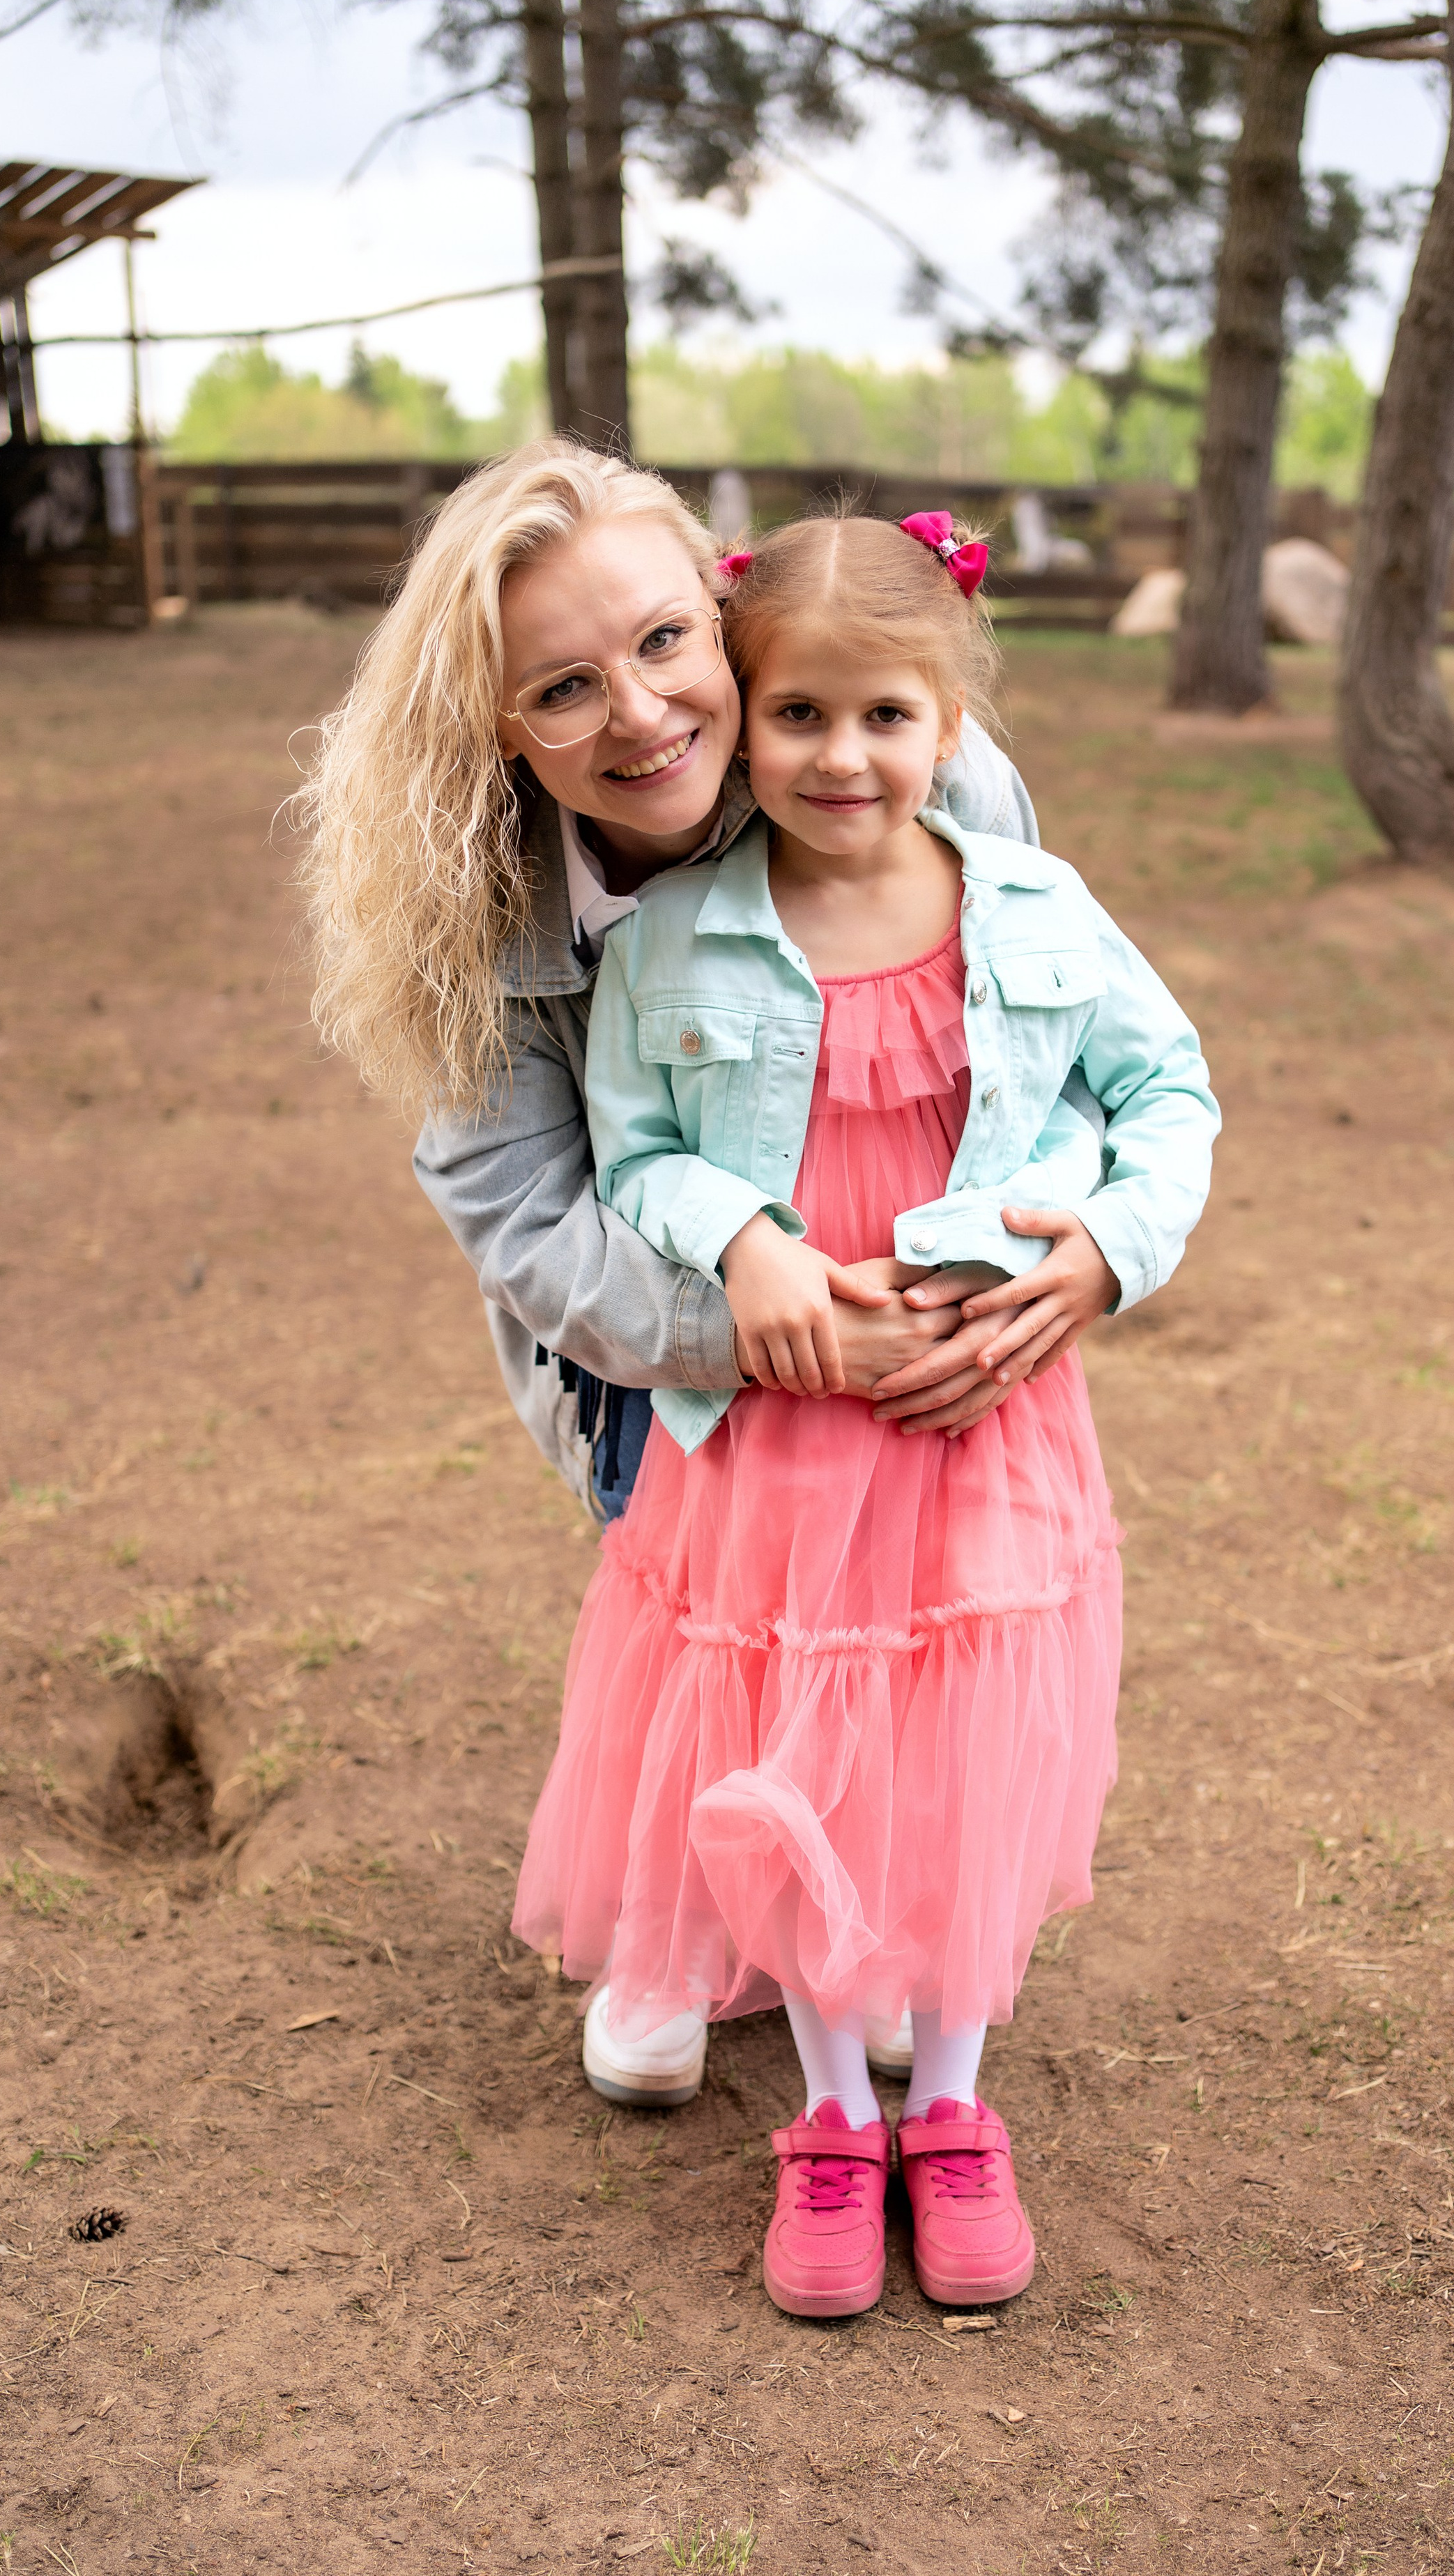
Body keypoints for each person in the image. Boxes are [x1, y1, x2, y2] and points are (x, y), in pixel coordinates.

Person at [298, 438, 1079, 2114]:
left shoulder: (895, 759)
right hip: (651, 1327)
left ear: (724, 613)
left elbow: (1051, 1043)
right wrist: (770, 1329)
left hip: (917, 1289)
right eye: (562, 688)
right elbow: (529, 1227)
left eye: (662, 645)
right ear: (499, 724)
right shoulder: (474, 918)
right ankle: (675, 1922)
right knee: (713, 1611)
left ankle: (866, 1923)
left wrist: (1059, 1258)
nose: (642, 715)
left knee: (894, 1613)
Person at [513, 509, 1219, 2320]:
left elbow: (1170, 1094)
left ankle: (954, 2103)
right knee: (800, 1735)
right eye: (802, 714)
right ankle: (832, 2114)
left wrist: (1105, 1261)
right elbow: (633, 1149)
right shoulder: (681, 940)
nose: (845, 756)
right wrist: (742, 1246)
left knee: (964, 1742)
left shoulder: (1039, 911)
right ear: (746, 726)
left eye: (888, 716)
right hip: (786, 1431)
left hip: (976, 1410)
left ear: (953, 720)